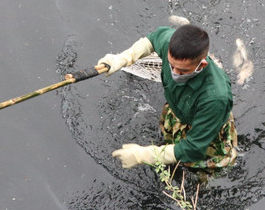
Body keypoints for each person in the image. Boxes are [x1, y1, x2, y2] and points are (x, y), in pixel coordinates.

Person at [98, 24, 238, 172]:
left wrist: (144, 155)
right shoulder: (169, 43)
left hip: (207, 130)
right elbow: (152, 40)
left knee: (201, 170)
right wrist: (123, 58)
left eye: (183, 71)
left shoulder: (215, 98)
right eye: (172, 66)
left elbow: (194, 149)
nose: (175, 73)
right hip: (179, 109)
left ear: (202, 65)